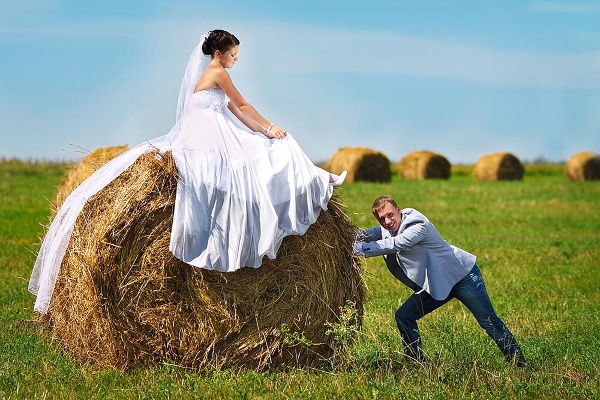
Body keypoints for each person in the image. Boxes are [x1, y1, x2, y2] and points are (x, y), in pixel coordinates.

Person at [29, 29, 346, 314]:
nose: (235, 60)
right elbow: (243, 105)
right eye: (233, 54)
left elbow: (236, 110)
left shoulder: (207, 75)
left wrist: (264, 130)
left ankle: (310, 181)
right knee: (275, 149)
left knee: (262, 155)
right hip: (208, 139)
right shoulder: (217, 72)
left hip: (208, 134)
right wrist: (271, 127)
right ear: (218, 54)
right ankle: (318, 179)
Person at [353, 195, 526, 367]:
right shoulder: (386, 229)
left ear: (399, 210)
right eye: (382, 218)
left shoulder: (417, 224)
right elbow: (367, 235)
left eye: (390, 214)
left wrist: (357, 249)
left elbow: (396, 244)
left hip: (462, 277)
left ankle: (520, 365)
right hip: (436, 283)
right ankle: (417, 365)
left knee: (490, 323)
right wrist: (338, 237)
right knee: (404, 316)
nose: (387, 221)